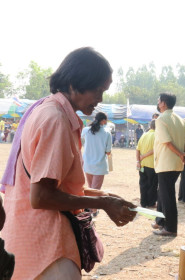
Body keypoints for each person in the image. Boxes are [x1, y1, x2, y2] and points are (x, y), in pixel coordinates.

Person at [0, 47, 136, 279]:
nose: (100, 99)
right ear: (74, 84)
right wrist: (103, 203)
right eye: (97, 90)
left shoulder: (48, 110)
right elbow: (41, 196)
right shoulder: (56, 119)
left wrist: (104, 196)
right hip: (47, 246)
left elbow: (58, 186)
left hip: (33, 239)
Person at [151, 93, 185, 236]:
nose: (157, 102)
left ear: (163, 103)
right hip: (176, 163)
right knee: (163, 192)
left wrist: (181, 155)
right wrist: (184, 156)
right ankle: (160, 221)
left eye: (158, 100)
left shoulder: (161, 119)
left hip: (166, 162)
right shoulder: (180, 119)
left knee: (167, 195)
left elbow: (167, 142)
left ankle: (171, 228)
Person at [81, 112, 112, 208]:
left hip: (87, 164)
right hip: (100, 165)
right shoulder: (107, 133)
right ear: (103, 121)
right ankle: (92, 210)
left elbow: (81, 142)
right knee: (96, 190)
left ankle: (90, 209)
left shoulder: (86, 130)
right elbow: (108, 151)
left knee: (91, 189)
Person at [136, 120, 158, 208]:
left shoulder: (144, 135)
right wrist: (144, 156)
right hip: (152, 164)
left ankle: (143, 202)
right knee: (152, 185)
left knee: (143, 184)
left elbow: (137, 149)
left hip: (142, 164)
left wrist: (138, 160)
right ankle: (151, 202)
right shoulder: (157, 135)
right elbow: (155, 149)